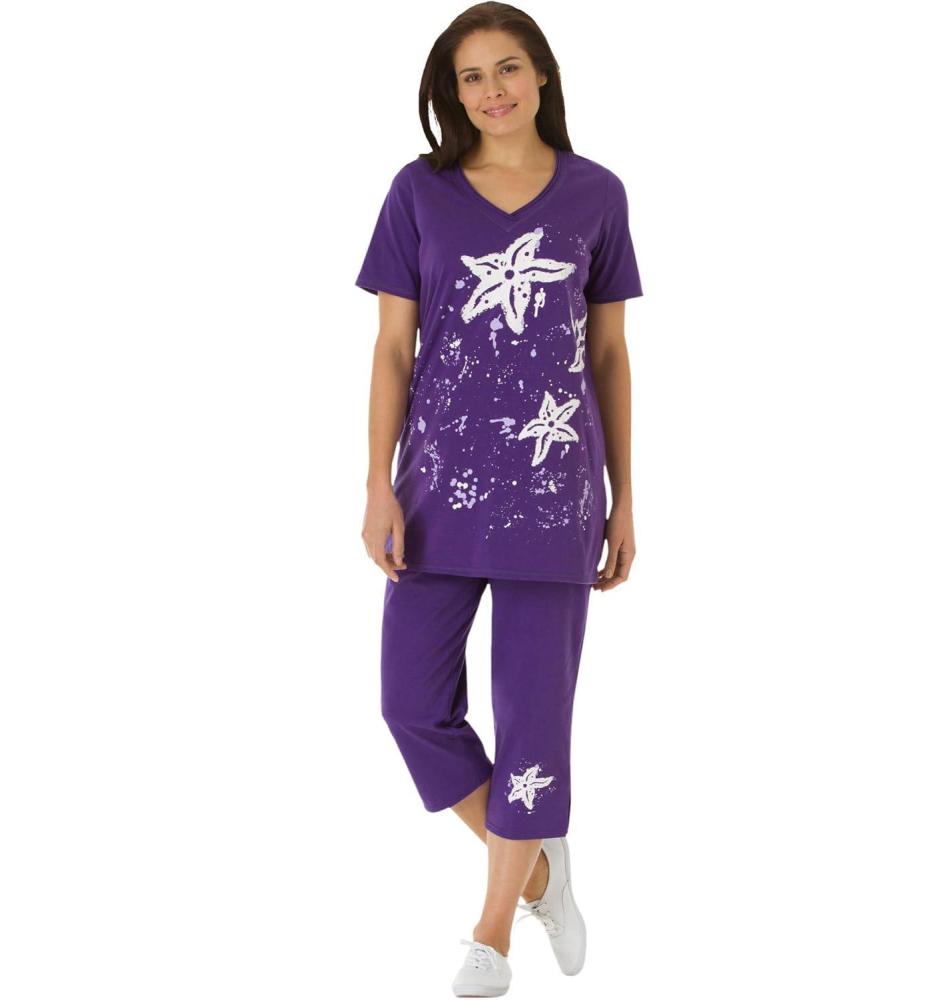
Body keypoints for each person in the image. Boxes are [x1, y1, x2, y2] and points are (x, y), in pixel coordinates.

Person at [356, 4, 642, 995]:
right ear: (452, 92)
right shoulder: (418, 192)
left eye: (507, 68)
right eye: (471, 77)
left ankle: (492, 935)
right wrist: (377, 482)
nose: (492, 91)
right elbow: (393, 349)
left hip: (554, 497)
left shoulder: (597, 194)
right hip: (435, 494)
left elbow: (609, 355)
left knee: (532, 722)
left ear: (542, 75)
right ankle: (542, 873)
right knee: (409, 705)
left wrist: (624, 500)